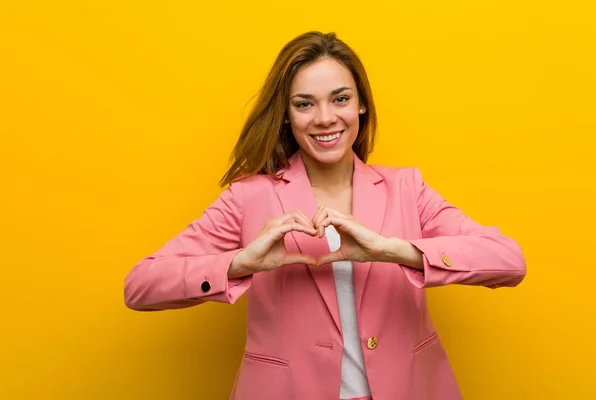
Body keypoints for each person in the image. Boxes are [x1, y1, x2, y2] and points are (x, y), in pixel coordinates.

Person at [124, 31, 526, 400]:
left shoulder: (407, 188)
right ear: (285, 114)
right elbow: (140, 286)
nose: (324, 118)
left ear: (362, 103)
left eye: (340, 99)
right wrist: (241, 263)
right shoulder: (249, 198)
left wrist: (394, 251)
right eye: (304, 104)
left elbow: (508, 261)